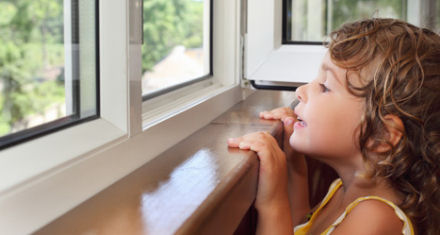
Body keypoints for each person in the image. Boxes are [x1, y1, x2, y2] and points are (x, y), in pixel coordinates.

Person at [228, 18, 440, 235]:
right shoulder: (341, 191)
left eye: (324, 87)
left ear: (381, 136)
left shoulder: (374, 218)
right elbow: (301, 228)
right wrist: (294, 165)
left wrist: (272, 204)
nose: (301, 91)